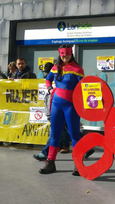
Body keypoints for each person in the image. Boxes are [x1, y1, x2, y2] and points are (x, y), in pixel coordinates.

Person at [39, 44, 84, 175]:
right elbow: (48, 80)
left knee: (74, 134)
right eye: (63, 54)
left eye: (68, 54)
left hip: (71, 105)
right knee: (55, 134)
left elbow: (84, 86)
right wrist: (50, 89)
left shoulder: (77, 68)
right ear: (60, 54)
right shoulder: (55, 67)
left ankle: (78, 164)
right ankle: (50, 162)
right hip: (56, 105)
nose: (65, 56)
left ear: (71, 54)